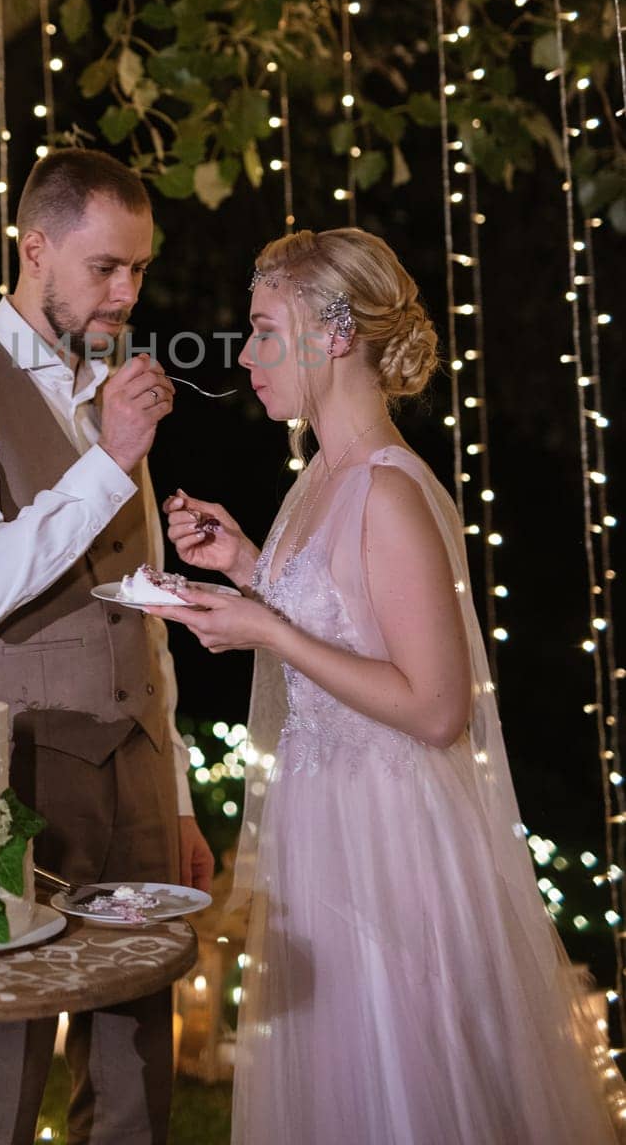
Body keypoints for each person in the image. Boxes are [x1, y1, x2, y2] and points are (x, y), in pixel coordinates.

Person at [155, 226, 626, 1144]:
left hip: (390, 836)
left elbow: (437, 707)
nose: (246, 354)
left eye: (262, 328)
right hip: (324, 821)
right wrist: (249, 568)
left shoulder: (391, 490)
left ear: (334, 334)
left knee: (403, 1076)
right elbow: (342, 613)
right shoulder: (319, 477)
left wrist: (266, 629)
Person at [0, 147, 213, 1145]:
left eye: (140, 270)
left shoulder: (114, 384)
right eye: (106, 267)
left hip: (139, 776)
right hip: (10, 782)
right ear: (34, 249)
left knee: (135, 1083)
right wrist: (109, 462)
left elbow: (134, 602)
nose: (127, 293)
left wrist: (180, 791)